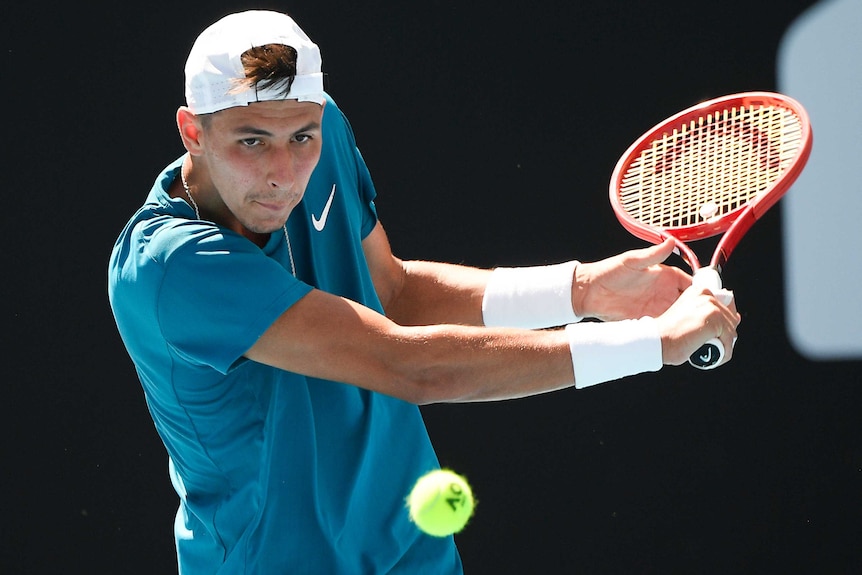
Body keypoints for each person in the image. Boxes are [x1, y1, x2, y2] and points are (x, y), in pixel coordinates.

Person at [107, 9, 740, 574]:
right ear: (193, 131)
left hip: (410, 547)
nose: (282, 173)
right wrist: (653, 343)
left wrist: (582, 290)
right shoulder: (170, 268)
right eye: (252, 142)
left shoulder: (321, 134)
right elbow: (410, 366)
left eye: (302, 136)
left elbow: (395, 291)